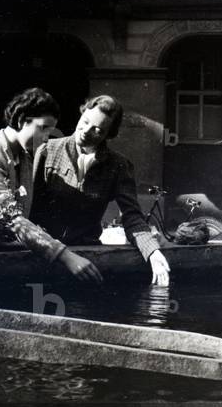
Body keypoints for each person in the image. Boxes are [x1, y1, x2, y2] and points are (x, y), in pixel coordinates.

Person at [30, 94, 171, 286]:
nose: (86, 131)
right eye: (85, 121)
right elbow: (30, 208)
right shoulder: (47, 151)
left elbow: (132, 217)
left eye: (97, 130)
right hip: (46, 253)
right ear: (81, 114)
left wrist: (152, 252)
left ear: (108, 134)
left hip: (88, 256)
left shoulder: (118, 166)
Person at [0, 88, 103, 284]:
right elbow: (10, 219)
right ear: (22, 121)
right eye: (43, 128)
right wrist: (66, 256)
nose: (46, 137)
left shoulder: (23, 155)